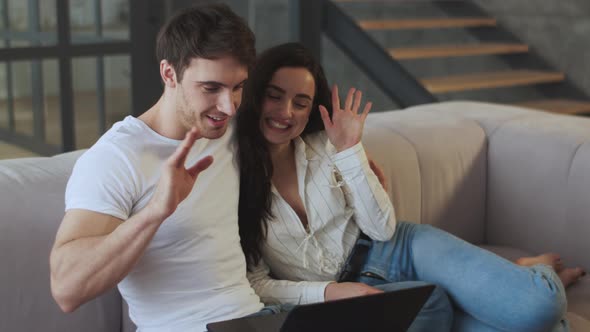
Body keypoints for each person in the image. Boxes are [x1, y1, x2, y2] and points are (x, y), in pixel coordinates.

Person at [236, 42, 585, 332]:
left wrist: (349, 150)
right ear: (255, 95)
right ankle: (515, 276)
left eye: (301, 102)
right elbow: (259, 284)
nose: (286, 112)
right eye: (275, 96)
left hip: (400, 249)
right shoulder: (232, 179)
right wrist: (330, 293)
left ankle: (533, 273)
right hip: (358, 293)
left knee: (537, 307)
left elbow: (382, 228)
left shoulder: (326, 147)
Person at [49, 5, 263, 331]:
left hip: (251, 317)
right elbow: (66, 290)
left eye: (237, 87)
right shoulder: (116, 158)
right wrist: (155, 212)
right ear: (169, 74)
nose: (228, 106)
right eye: (211, 88)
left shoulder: (226, 128)